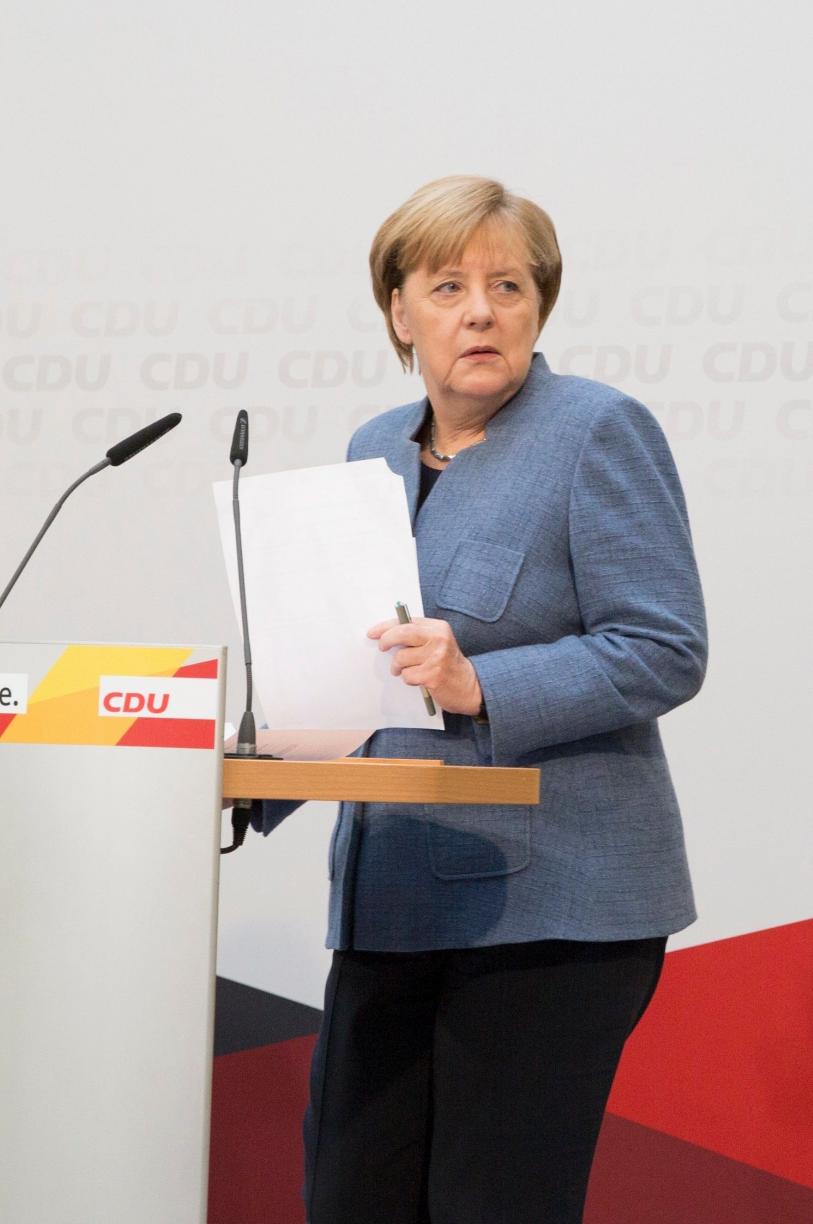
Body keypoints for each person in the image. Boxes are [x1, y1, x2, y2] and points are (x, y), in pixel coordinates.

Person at [250, 175, 707, 1223]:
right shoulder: (372, 448)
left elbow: (664, 647)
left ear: (540, 303)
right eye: (448, 285)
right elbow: (356, 672)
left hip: (549, 913)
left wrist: (480, 682)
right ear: (398, 311)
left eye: (508, 284)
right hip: (390, 900)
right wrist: (242, 788)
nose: (481, 310)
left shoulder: (596, 431)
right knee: (352, 1202)